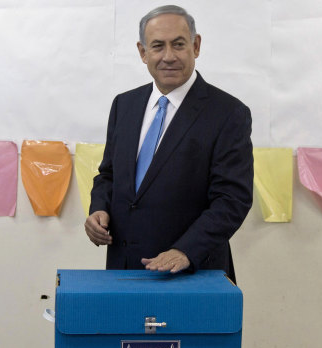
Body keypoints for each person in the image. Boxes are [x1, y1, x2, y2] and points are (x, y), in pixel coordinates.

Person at [85, 5, 253, 283]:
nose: (168, 57)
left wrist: (185, 251)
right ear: (142, 52)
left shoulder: (228, 113)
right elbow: (108, 175)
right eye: (157, 46)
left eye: (178, 45)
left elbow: (232, 199)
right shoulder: (123, 105)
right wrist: (98, 208)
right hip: (123, 270)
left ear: (196, 46)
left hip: (192, 271)